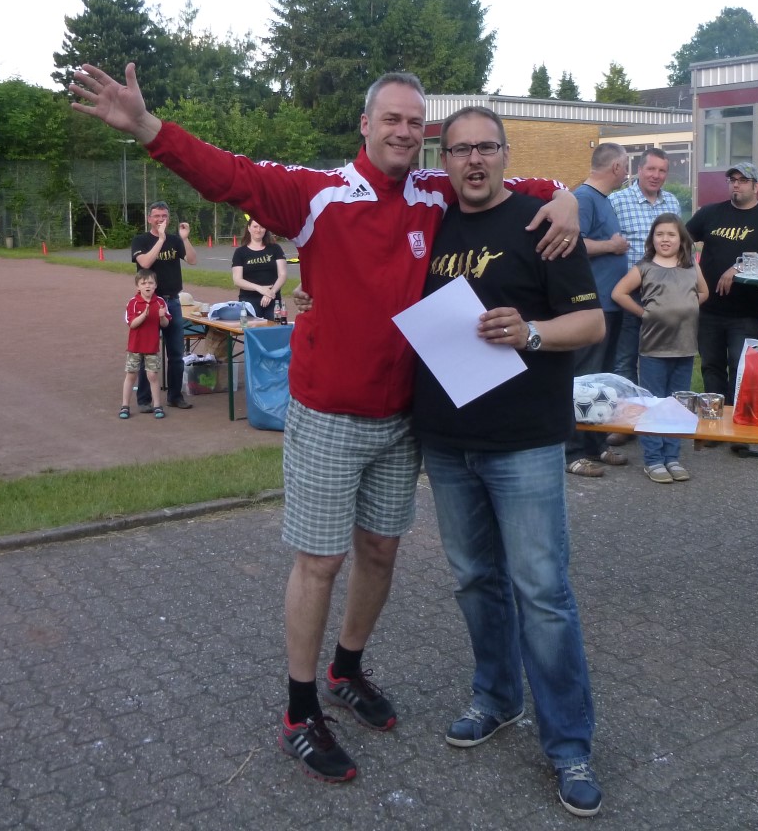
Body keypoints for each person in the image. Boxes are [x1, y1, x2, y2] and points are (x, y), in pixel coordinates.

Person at [70, 63, 579, 785]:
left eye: (416, 123)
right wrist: (149, 128)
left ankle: (347, 669)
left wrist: (569, 199)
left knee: (380, 552)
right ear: (365, 125)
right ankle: (299, 709)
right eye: (391, 119)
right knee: (320, 562)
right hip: (328, 413)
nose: (404, 132)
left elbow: (522, 184)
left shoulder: (434, 190)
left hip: (403, 416)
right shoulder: (318, 193)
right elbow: (228, 175)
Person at [414, 105, 605, 818]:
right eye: (460, 149)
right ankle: (496, 697)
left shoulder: (543, 223)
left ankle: (569, 744)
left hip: (524, 440)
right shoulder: (428, 228)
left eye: (486, 148)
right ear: (444, 159)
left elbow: (592, 321)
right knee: (474, 581)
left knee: (543, 593)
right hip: (445, 438)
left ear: (504, 154)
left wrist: (530, 333)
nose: (474, 160)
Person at [611, 213, 707, 482]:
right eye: (660, 234)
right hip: (654, 349)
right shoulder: (644, 267)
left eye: (671, 234)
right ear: (652, 238)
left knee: (676, 405)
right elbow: (618, 293)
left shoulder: (691, 266)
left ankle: (672, 457)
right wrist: (643, 313)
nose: (665, 239)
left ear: (681, 239)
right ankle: (653, 459)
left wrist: (687, 307)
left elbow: (704, 292)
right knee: (654, 404)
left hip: (684, 348)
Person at [685, 162, 758, 403]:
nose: (736, 185)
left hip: (746, 311)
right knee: (711, 367)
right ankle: (714, 417)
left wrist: (738, 268)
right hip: (708, 307)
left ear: (756, 186)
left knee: (740, 367)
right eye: (732, 180)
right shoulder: (710, 213)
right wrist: (689, 265)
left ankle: (737, 420)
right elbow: (681, 239)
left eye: (743, 180)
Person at [565, 142, 630, 477]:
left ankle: (596, 444)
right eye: (626, 166)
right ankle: (573, 451)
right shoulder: (584, 198)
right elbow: (572, 242)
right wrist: (612, 246)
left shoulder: (602, 199)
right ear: (616, 167)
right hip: (593, 305)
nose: (627, 173)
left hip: (610, 304)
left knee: (601, 380)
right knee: (584, 379)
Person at [609, 147, 681, 383]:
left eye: (662, 171)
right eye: (651, 169)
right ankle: (628, 403)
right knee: (625, 359)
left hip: (664, 295)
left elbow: (680, 245)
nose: (656, 175)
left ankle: (658, 401)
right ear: (639, 170)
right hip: (630, 294)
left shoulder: (672, 202)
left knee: (662, 357)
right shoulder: (617, 201)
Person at [131, 201, 197, 410]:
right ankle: (144, 399)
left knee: (176, 353)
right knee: (148, 351)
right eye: (157, 216)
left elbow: (192, 260)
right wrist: (160, 239)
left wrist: (185, 239)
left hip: (172, 301)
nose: (161, 220)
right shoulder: (141, 240)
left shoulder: (175, 240)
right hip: (149, 303)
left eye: (164, 216)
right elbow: (145, 263)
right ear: (149, 218)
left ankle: (175, 396)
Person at [119, 270, 170, 420]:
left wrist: (162, 317)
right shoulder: (133, 303)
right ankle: (125, 405)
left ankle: (157, 405)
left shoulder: (160, 302)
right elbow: (132, 324)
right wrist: (143, 315)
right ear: (138, 286)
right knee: (131, 374)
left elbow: (165, 324)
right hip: (135, 346)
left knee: (152, 375)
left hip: (152, 346)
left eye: (150, 283)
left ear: (155, 285)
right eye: (143, 283)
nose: (147, 286)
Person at [231, 216, 288, 318]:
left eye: (262, 227)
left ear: (265, 229)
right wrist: (260, 289)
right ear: (249, 228)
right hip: (249, 300)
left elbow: (282, 275)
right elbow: (237, 280)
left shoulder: (275, 248)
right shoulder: (240, 252)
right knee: (253, 326)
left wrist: (270, 293)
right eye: (255, 226)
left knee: (275, 324)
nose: (258, 230)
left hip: (272, 298)